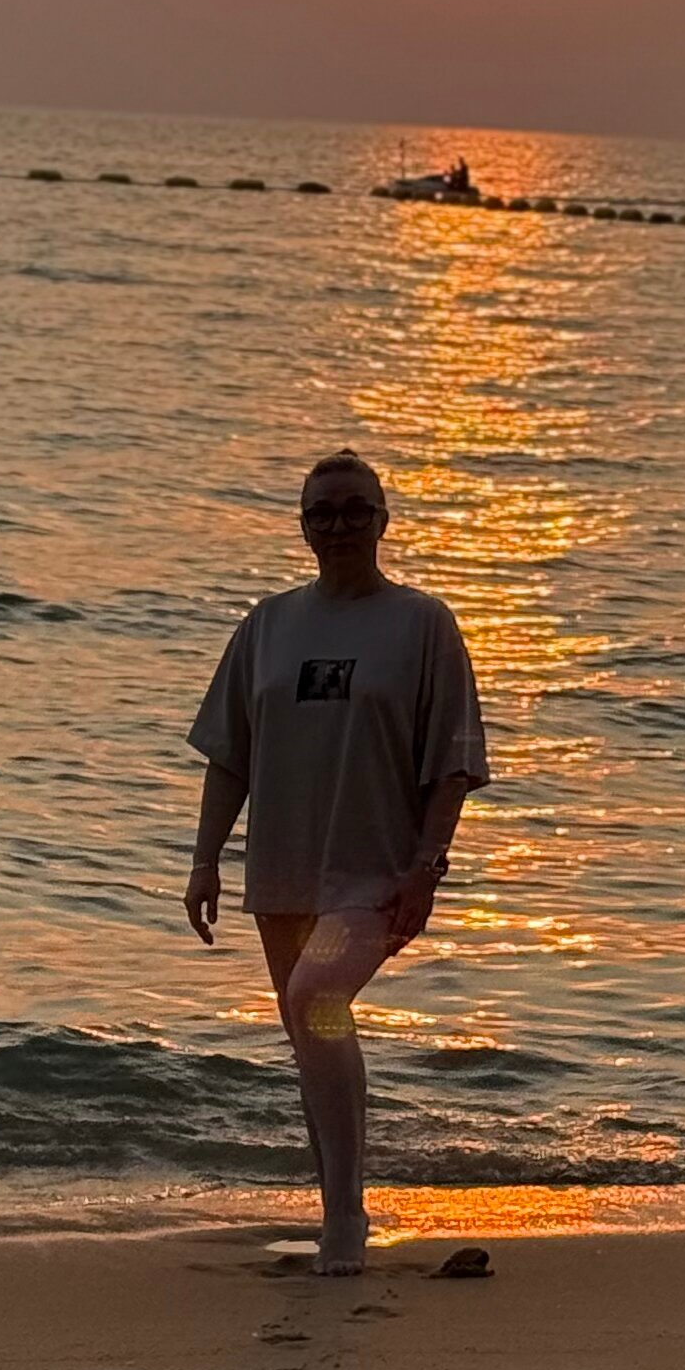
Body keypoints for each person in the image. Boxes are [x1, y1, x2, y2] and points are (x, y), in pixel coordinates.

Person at [183, 452, 488, 1275]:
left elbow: (453, 762)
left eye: (356, 510)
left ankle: (347, 1220)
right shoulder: (268, 626)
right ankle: (335, 1213)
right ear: (303, 525)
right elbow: (229, 757)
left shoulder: (423, 624)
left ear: (385, 519)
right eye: (323, 513)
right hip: (282, 868)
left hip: (377, 872)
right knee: (308, 1034)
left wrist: (427, 866)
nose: (340, 526)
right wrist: (205, 860)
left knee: (318, 999)